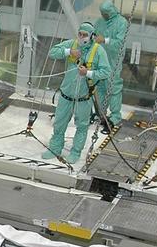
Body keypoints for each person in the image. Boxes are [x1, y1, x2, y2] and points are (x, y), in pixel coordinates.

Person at [44, 22, 110, 162]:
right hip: (66, 95)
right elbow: (52, 52)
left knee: (82, 125)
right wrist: (68, 52)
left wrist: (89, 73)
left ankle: (76, 152)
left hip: (84, 97)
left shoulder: (98, 51)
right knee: (59, 123)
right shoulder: (72, 44)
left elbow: (106, 72)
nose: (81, 37)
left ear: (92, 36)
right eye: (79, 34)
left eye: (84, 35)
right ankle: (55, 147)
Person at [93, 0, 130, 127]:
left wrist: (105, 40)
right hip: (100, 59)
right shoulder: (100, 21)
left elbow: (120, 43)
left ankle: (115, 116)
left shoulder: (122, 23)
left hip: (114, 60)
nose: (103, 15)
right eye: (102, 13)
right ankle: (101, 113)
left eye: (105, 13)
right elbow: (94, 34)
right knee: (101, 86)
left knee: (114, 87)